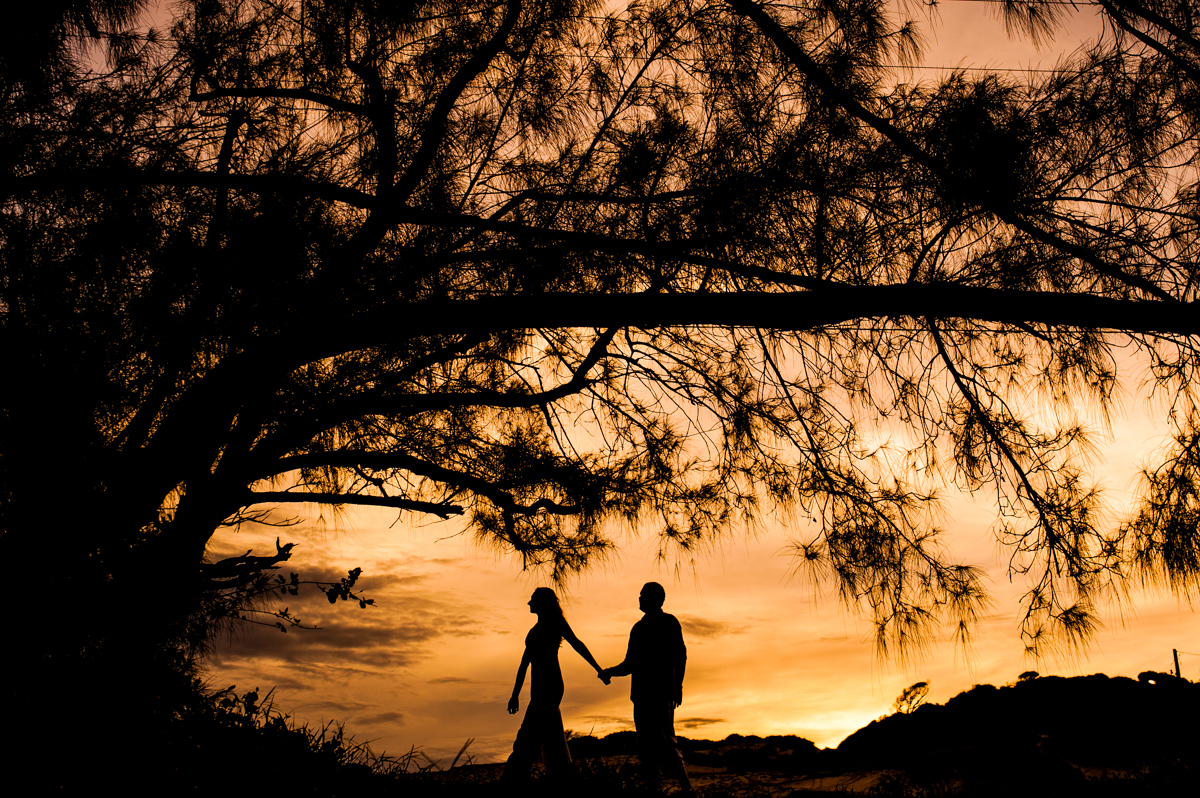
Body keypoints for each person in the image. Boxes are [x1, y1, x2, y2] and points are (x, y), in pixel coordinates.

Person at [503, 587, 609, 786]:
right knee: (550, 739)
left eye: (533, 599)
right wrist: (515, 694)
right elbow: (524, 663)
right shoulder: (534, 631)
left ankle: (513, 781)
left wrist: (598, 669)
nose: (529, 603)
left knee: (527, 737)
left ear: (543, 603)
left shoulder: (555, 623)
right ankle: (562, 779)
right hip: (538, 689)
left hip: (550, 686)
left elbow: (577, 644)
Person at [600, 582, 696, 796]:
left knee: (666, 740)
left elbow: (680, 655)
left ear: (656, 599)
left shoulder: (669, 623)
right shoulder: (638, 628)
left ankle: (687, 789)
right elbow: (629, 664)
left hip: (661, 693)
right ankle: (655, 790)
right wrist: (610, 672)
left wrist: (677, 686)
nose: (640, 599)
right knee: (646, 747)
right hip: (641, 696)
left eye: (643, 595)